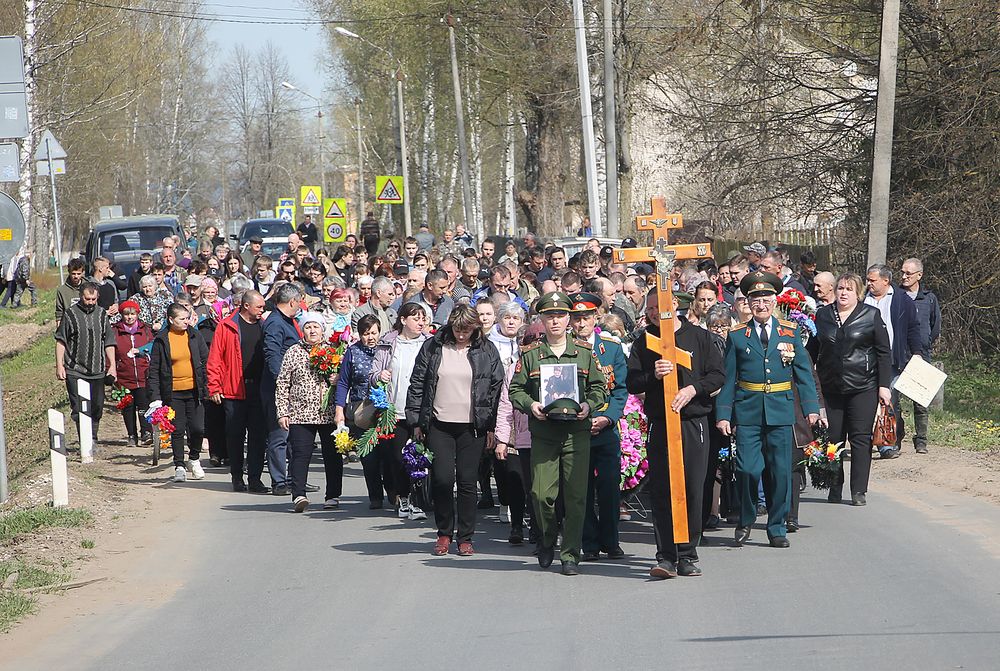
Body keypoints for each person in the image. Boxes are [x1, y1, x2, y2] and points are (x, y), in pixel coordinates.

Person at [715, 271, 819, 549]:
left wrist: (811, 408)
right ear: (748, 303)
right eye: (755, 299)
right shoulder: (737, 336)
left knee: (781, 471)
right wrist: (724, 413)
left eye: (766, 298)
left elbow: (803, 374)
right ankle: (746, 519)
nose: (761, 304)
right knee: (748, 469)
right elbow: (728, 378)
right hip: (748, 412)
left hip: (781, 410)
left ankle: (776, 526)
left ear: (775, 301)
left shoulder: (790, 331)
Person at [508, 292, 607, 575]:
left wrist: (589, 405)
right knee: (541, 494)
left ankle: (570, 554)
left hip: (577, 433)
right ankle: (548, 539)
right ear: (541, 319)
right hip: (545, 432)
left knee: (576, 497)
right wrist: (532, 405)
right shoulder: (531, 355)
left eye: (561, 315)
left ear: (569, 319)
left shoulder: (585, 354)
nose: (555, 321)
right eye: (549, 316)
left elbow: (600, 388)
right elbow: (516, 390)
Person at [628, 290, 725, 577]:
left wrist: (694, 389)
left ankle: (687, 553)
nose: (656, 312)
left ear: (675, 305)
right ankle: (666, 555)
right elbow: (632, 381)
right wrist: (652, 375)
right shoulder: (645, 341)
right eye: (652, 308)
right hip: (661, 421)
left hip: (693, 422)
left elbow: (717, 375)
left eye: (661, 306)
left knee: (693, 487)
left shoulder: (700, 337)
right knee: (662, 489)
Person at [406, 304, 503, 557]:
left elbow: (495, 390)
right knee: (442, 479)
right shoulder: (433, 347)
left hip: (473, 427)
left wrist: (492, 426)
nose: (462, 335)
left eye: (467, 330)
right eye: (458, 330)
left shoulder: (486, 350)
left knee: (468, 482)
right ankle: (444, 533)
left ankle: (465, 537)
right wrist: (416, 421)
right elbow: (418, 383)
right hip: (439, 424)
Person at [816, 273, 892, 505]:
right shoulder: (823, 315)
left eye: (849, 289)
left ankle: (859, 490)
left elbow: (883, 352)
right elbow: (814, 348)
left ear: (858, 292)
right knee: (833, 439)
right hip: (832, 387)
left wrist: (883, 386)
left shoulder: (871, 315)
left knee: (860, 439)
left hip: (863, 386)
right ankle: (834, 486)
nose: (843, 293)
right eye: (840, 288)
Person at [569, 293, 629, 563]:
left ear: (596, 318)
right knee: (580, 488)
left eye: (585, 317)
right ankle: (589, 542)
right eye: (576, 318)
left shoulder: (611, 348)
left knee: (609, 487)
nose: (580, 323)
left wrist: (609, 418)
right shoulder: (565, 347)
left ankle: (611, 541)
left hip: (605, 428)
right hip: (576, 428)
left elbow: (620, 391)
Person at [275, 311, 344, 512]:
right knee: (300, 454)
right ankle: (298, 495)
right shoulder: (293, 351)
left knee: (332, 455)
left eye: (316, 326)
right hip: (300, 412)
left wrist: (336, 378)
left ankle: (332, 495)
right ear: (302, 329)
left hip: (328, 412)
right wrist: (282, 412)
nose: (312, 330)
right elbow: (282, 383)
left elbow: (345, 378)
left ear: (323, 329)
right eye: (308, 326)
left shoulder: (333, 351)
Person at [370, 302, 431, 520]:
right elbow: (373, 373)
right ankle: (403, 500)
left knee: (421, 457)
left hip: (422, 410)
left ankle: (419, 501)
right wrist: (380, 376)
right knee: (398, 458)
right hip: (395, 409)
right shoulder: (388, 343)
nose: (421, 322)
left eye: (423, 318)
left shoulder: (430, 344)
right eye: (416, 318)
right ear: (403, 320)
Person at [207, 290, 269, 493]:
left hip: (259, 389)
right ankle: (236, 476)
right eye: (259, 306)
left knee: (258, 436)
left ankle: (255, 478)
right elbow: (215, 358)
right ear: (246, 306)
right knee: (235, 435)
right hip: (234, 390)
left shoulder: (264, 325)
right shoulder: (227, 326)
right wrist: (214, 386)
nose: (262, 310)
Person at [864, 264, 922, 458]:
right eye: (868, 280)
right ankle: (864, 441)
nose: (869, 284)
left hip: (891, 360)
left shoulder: (901, 300)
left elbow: (913, 328)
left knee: (888, 402)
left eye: (872, 280)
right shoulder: (863, 299)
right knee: (865, 402)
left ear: (885, 281)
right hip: (864, 360)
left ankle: (887, 445)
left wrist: (916, 352)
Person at [148, 303, 210, 482]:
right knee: (177, 429)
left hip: (195, 391)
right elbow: (154, 370)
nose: (186, 322)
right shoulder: (162, 339)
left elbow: (205, 361)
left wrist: (207, 386)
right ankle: (179, 466)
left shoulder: (194, 335)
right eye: (182, 319)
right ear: (171, 319)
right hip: (173, 393)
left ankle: (194, 459)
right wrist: (155, 397)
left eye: (188, 318)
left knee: (198, 429)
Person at [335, 315, 391, 506]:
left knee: (388, 454)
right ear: (360, 335)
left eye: (374, 333)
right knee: (368, 456)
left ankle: (393, 492)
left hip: (385, 409)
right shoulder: (353, 352)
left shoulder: (386, 351)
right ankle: (375, 495)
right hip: (361, 409)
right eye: (366, 334)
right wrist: (339, 411)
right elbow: (343, 383)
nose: (370, 337)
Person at [55, 282, 116, 447]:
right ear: (81, 296)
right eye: (87, 299)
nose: (90, 302)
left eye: (93, 299)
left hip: (97, 369)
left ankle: (93, 435)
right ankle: (85, 440)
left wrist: (112, 366)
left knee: (96, 406)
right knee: (79, 407)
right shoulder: (70, 314)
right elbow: (61, 341)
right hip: (75, 369)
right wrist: (59, 365)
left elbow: (109, 342)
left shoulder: (102, 314)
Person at [261, 283, 305, 496]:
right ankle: (279, 481)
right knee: (279, 436)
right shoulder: (275, 323)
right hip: (277, 388)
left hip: (292, 388)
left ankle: (293, 480)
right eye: (300, 302)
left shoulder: (287, 321)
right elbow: (272, 355)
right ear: (292, 302)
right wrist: (283, 383)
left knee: (292, 436)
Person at [900, 258, 941, 454]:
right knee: (893, 399)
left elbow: (935, 326)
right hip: (899, 353)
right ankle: (894, 436)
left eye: (908, 273)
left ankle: (921, 439)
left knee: (921, 400)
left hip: (921, 355)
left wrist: (924, 343)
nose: (904, 276)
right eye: (902, 272)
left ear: (919, 275)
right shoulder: (896, 295)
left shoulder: (929, 298)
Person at [112, 300, 154, 446]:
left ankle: (146, 432)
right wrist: (112, 371)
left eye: (132, 314)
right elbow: (110, 352)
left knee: (144, 405)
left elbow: (152, 348)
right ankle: (131, 435)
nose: (129, 317)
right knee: (127, 406)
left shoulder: (146, 330)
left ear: (137, 314)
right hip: (124, 376)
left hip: (143, 375)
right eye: (126, 314)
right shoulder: (115, 331)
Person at [55, 258, 87, 326]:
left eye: (78, 274)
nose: (76, 276)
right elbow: (59, 312)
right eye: (73, 274)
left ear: (82, 273)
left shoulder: (89, 287)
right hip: (70, 325)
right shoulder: (62, 291)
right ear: (69, 272)